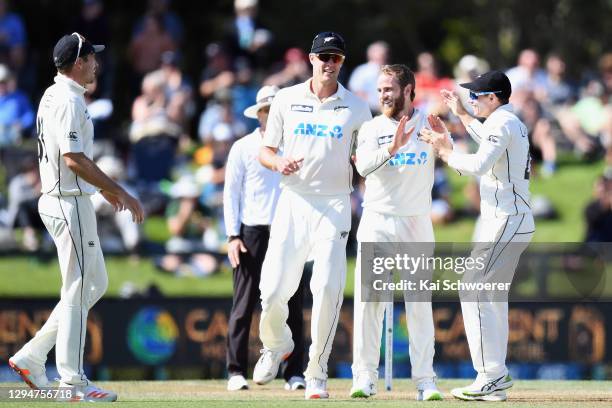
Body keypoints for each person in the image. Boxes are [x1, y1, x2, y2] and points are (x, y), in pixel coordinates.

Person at [8, 33, 144, 402]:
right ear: (79, 62)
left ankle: (32, 356)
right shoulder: (68, 99)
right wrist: (119, 190)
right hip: (67, 202)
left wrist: (100, 189)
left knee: (93, 284)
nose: (97, 63)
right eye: (92, 57)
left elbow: (71, 157)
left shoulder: (54, 94)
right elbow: (73, 158)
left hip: (67, 199)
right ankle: (73, 381)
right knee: (81, 287)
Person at [253, 31, 371, 399]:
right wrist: (279, 162)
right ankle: (277, 344)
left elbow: (366, 161)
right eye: (323, 57)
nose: (329, 63)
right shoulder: (286, 99)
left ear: (342, 62)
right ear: (311, 59)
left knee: (328, 288)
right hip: (293, 201)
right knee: (272, 291)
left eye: (335, 57)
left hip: (335, 204)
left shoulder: (356, 107)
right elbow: (265, 151)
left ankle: (316, 371)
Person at [419, 71, 534, 401]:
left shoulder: (502, 123)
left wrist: (444, 151)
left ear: (493, 99)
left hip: (507, 219)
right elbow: (487, 139)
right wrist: (462, 114)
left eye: (477, 96)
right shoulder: (505, 121)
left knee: (473, 289)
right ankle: (494, 376)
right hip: (505, 219)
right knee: (489, 296)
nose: (472, 99)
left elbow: (481, 164)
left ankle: (490, 375)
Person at [350, 64, 442, 401]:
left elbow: (452, 155)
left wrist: (445, 140)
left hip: (417, 222)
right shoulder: (372, 128)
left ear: (407, 90)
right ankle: (364, 376)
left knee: (419, 304)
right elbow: (361, 167)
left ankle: (425, 381)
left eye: (388, 89)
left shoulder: (428, 124)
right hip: (378, 220)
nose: (383, 96)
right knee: (371, 303)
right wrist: (393, 146)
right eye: (379, 90)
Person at [223, 85, 306, 392]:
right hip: (252, 231)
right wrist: (232, 235)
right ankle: (235, 371)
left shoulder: (296, 143)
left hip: (288, 230)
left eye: (275, 111)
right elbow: (231, 193)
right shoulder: (243, 147)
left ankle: (294, 372)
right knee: (243, 304)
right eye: (266, 111)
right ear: (258, 114)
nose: (270, 116)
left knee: (292, 303)